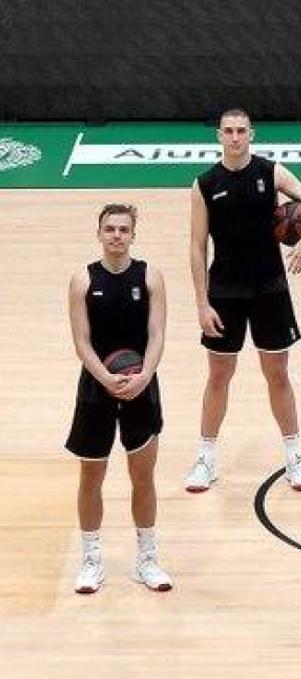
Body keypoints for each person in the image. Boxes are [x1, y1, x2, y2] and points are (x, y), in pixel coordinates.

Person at [184, 107, 301, 493]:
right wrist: (202, 304)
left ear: (252, 135)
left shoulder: (271, 172)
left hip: (270, 290)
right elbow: (197, 248)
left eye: (242, 131)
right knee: (219, 376)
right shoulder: (204, 184)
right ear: (218, 136)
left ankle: (295, 458)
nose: (235, 137)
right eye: (229, 131)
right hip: (224, 294)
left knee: (277, 374)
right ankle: (205, 459)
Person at [65, 204, 172, 594]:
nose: (116, 235)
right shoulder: (81, 281)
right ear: (98, 234)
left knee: (143, 477)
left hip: (142, 386)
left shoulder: (150, 277)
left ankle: (147, 559)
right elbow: (82, 342)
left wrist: (144, 375)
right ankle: (92, 561)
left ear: (132, 235)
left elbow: (157, 335)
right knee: (91, 476)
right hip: (97, 387)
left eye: (123, 229)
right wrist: (107, 378)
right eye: (109, 229)